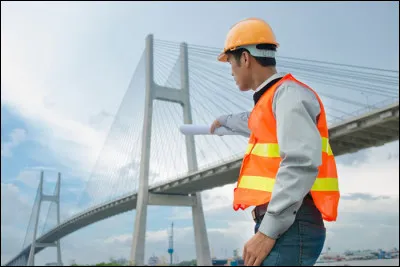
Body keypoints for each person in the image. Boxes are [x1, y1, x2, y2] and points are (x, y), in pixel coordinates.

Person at [210, 18, 340, 266]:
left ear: (245, 58)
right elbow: (253, 121)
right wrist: (224, 121)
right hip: (287, 222)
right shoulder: (273, 101)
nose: (231, 71)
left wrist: (268, 231)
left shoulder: (289, 94)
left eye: (230, 62)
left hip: (290, 224)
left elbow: (300, 163)